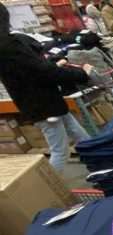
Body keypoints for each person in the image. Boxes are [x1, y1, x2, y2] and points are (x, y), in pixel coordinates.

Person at [0, 3, 93, 173]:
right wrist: (80, 74)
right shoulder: (10, 45)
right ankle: (47, 185)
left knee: (81, 136)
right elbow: (42, 71)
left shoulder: (7, 44)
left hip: (44, 102)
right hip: (44, 105)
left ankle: (102, 162)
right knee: (60, 151)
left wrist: (52, 64)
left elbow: (32, 70)